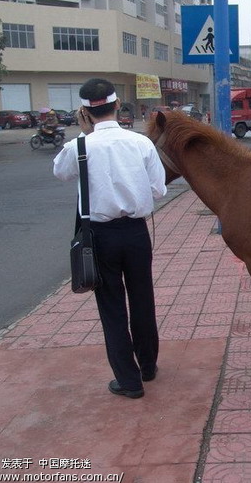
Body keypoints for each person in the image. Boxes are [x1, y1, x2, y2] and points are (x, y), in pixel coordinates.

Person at [53, 78, 167, 398]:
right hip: (136, 232)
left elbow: (60, 173)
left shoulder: (79, 146)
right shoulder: (140, 143)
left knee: (112, 306)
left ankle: (129, 381)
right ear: (118, 105)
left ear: (85, 113)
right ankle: (148, 366)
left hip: (100, 236)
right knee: (143, 299)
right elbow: (158, 189)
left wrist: (83, 134)